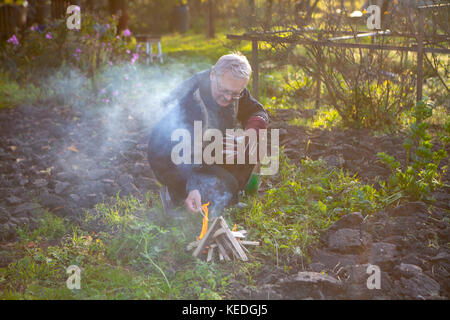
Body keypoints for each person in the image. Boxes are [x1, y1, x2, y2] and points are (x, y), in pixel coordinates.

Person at [147, 52, 269, 217]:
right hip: (178, 159)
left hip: (209, 151)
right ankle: (176, 195)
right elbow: (158, 151)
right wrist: (186, 186)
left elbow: (257, 111)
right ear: (213, 75)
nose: (228, 97)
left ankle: (225, 193)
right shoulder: (187, 99)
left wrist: (248, 135)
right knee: (202, 186)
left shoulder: (234, 87)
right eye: (224, 90)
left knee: (253, 142)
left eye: (235, 94)